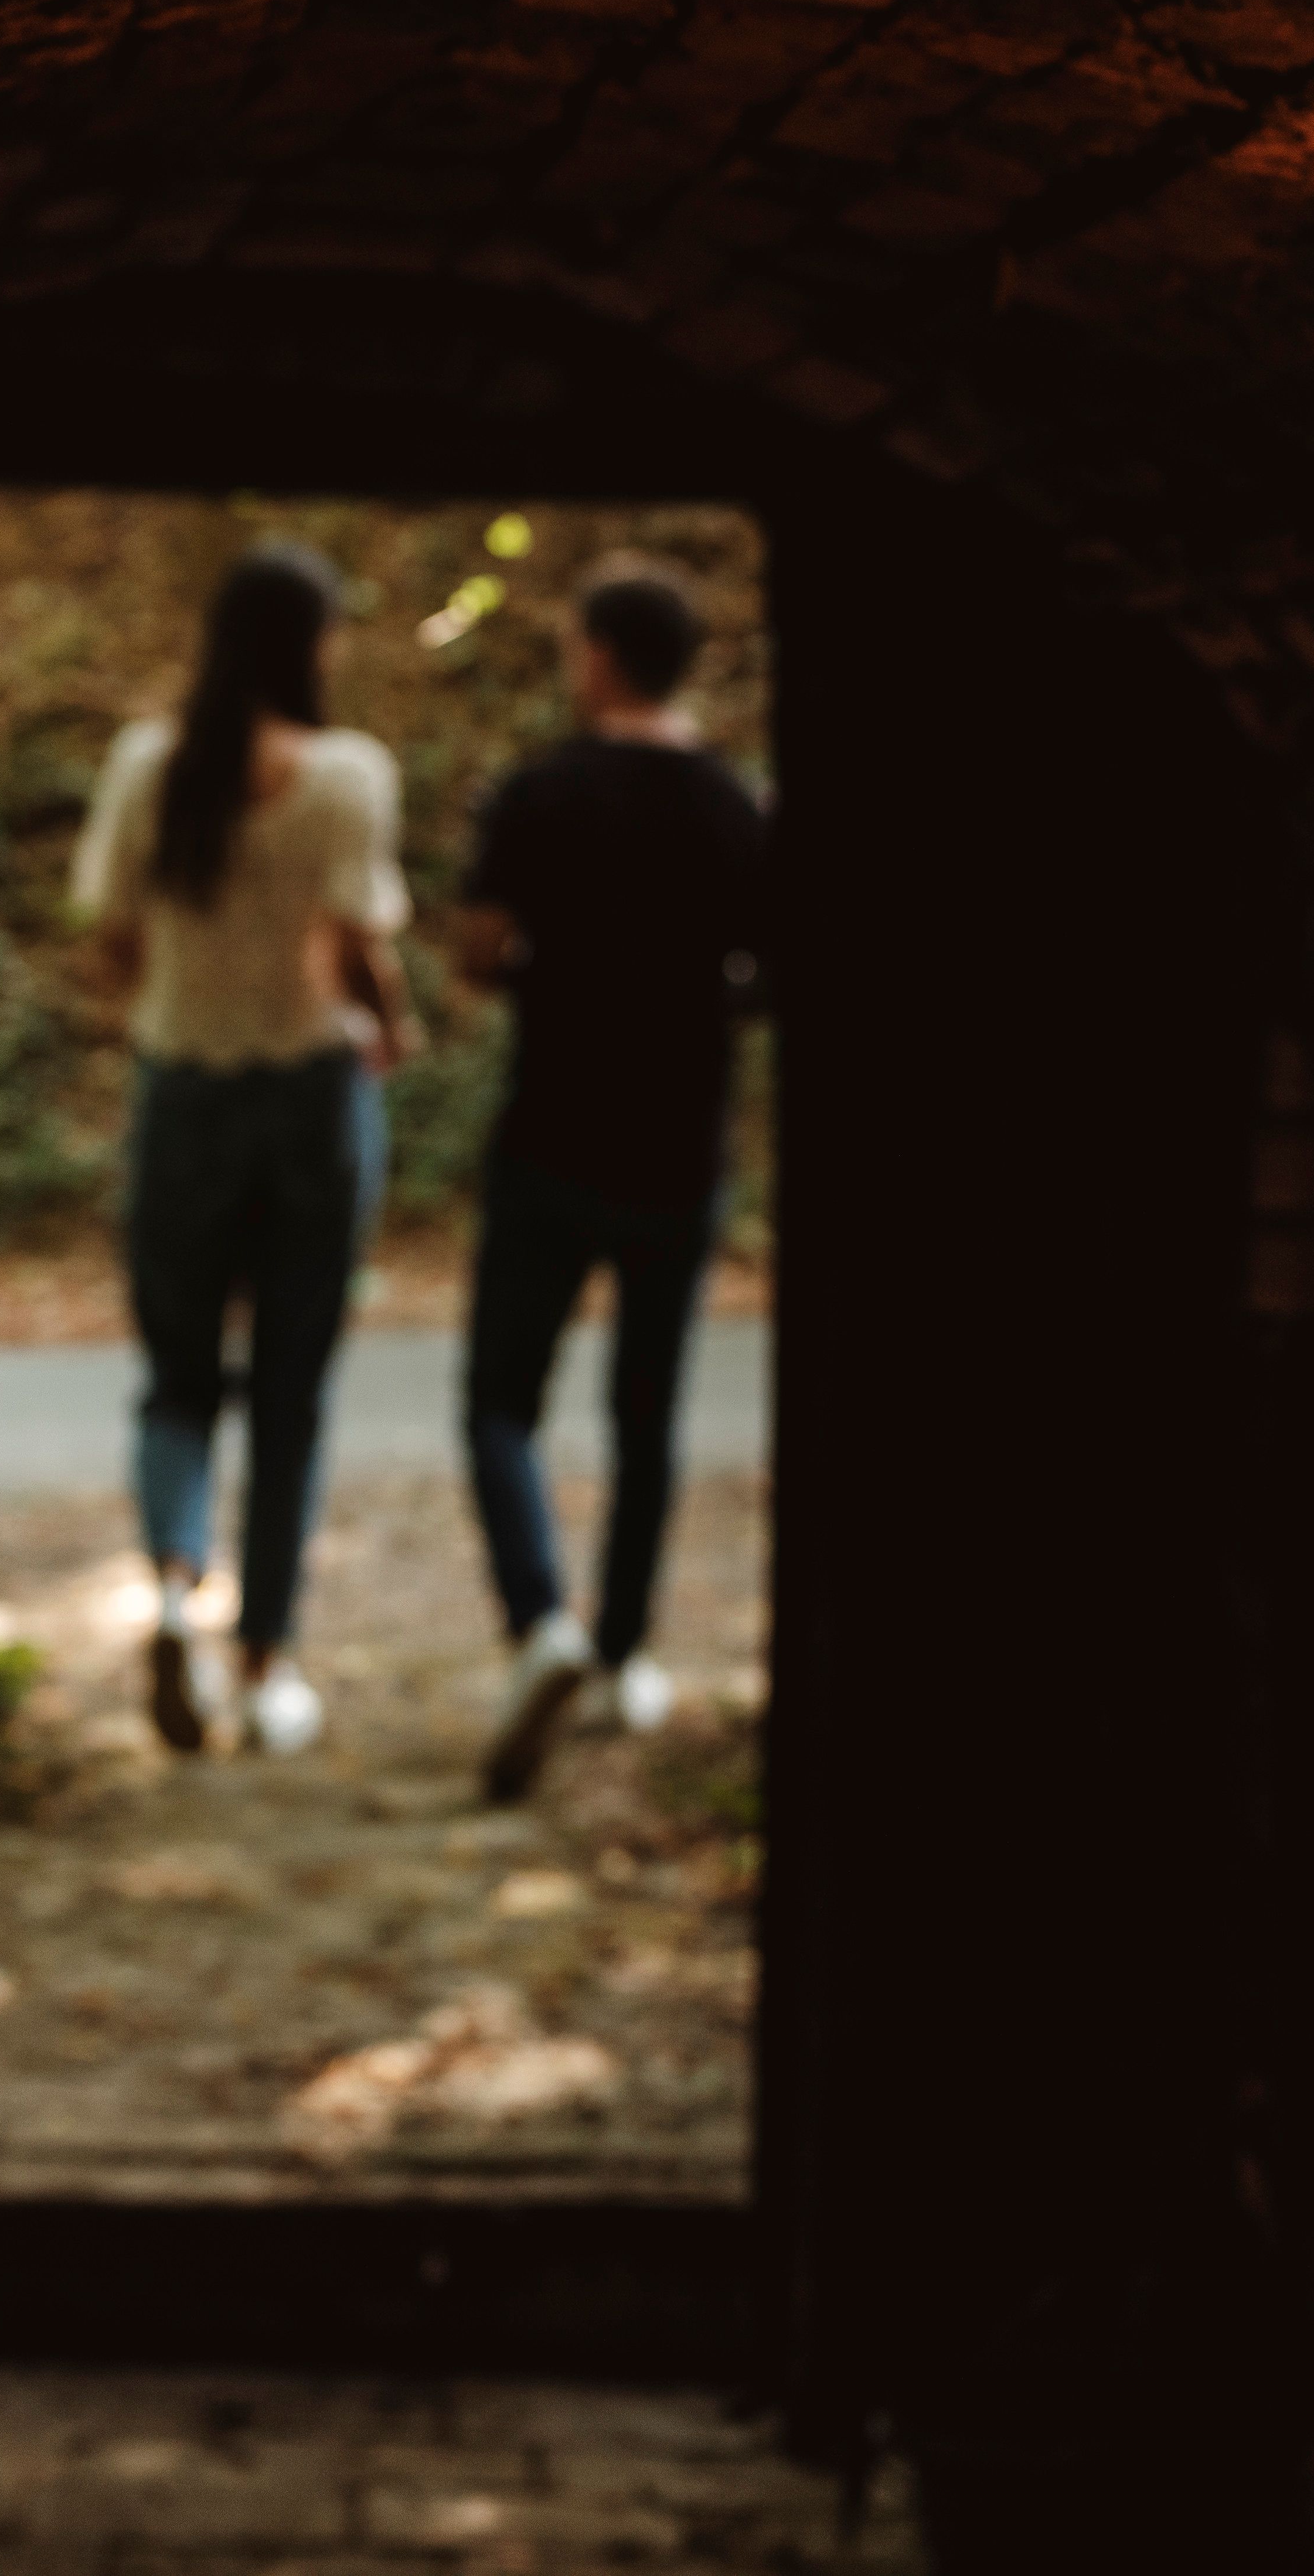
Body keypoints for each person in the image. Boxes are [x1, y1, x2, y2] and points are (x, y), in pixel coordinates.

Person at [71, 543, 415, 1760]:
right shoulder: (344, 778)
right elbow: (359, 943)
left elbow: (108, 937)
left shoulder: (147, 766)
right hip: (310, 1102)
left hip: (184, 1096)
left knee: (175, 1377)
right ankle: (264, 1660)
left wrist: (167, 1005)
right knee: (289, 1392)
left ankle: (171, 1586)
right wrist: (392, 1022)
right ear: (309, 643)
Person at [450, 561, 768, 1802]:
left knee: (498, 1400)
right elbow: (773, 969)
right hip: (677, 1146)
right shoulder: (736, 807)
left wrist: (545, 967)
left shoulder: (537, 793)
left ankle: (542, 1623)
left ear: (595, 657)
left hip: (547, 1136)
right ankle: (627, 1650)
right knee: (647, 1415)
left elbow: (478, 953)